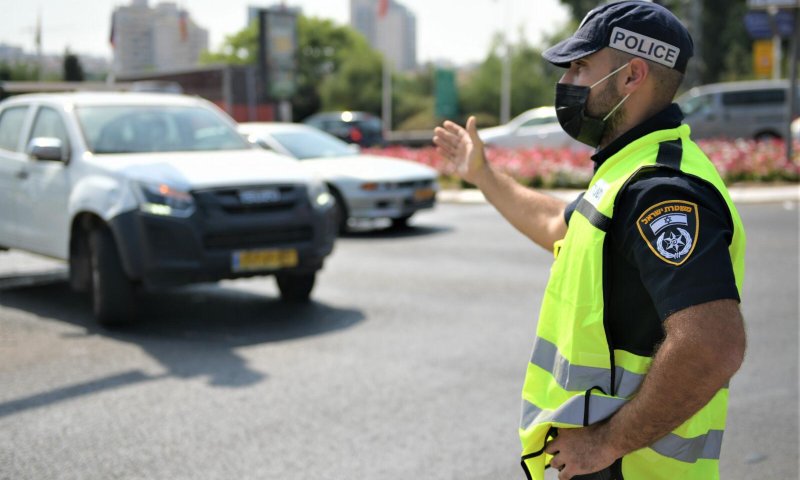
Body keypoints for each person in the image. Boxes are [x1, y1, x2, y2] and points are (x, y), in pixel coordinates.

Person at [432, 2, 746, 479]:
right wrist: (484, 175)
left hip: (630, 468)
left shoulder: (660, 190)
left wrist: (606, 443)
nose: (568, 82)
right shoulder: (627, 169)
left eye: (581, 66)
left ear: (631, 76)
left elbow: (713, 344)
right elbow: (559, 227)